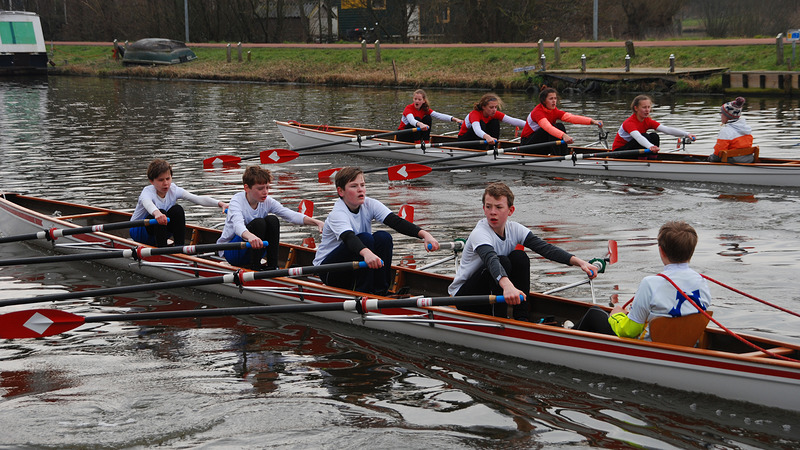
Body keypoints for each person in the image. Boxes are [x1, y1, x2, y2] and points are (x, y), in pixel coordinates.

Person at [448, 182, 598, 321]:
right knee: (502, 261)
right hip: (464, 298)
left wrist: (579, 262)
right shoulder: (480, 233)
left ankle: (522, 318)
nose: (492, 212)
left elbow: (545, 248)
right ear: (483, 208)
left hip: (491, 293)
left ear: (510, 210)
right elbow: (491, 260)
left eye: (498, 207)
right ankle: (499, 320)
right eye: (488, 207)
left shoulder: (515, 229)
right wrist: (507, 286)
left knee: (520, 257)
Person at [575, 221, 712, 340]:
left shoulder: (650, 283)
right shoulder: (702, 282)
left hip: (651, 346)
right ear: (692, 251)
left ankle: (568, 335)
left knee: (594, 313)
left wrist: (616, 316)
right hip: (686, 342)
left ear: (661, 251)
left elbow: (629, 331)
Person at [313, 166, 440, 294]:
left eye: (362, 185)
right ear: (341, 191)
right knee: (365, 239)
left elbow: (396, 222)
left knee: (383, 237)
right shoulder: (338, 213)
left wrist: (425, 235)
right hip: (329, 270)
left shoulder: (369, 204)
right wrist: (367, 253)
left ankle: (380, 291)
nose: (360, 190)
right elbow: (349, 238)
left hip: (354, 265)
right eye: (354, 186)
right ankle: (364, 292)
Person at [217, 165, 323, 270]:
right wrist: (250, 237)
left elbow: (290, 215)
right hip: (232, 251)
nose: (265, 192)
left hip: (254, 247)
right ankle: (255, 269)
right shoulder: (237, 201)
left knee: (272, 220)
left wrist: (317, 222)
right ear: (246, 188)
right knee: (259, 223)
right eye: (260, 188)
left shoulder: (267, 201)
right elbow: (238, 226)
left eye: (267, 187)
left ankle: (273, 266)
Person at [130, 159, 227, 247]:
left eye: (168, 179)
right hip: (139, 231)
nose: (166, 183)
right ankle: (162, 251)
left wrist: (220, 204)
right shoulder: (147, 192)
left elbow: (197, 199)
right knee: (162, 212)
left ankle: (179, 248)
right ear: (152, 181)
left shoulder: (173, 189)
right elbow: (148, 204)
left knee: (178, 210)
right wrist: (157, 213)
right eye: (161, 180)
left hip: (160, 229)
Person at [520, 86, 603, 156]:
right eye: (551, 99)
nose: (554, 101)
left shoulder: (554, 111)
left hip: (540, 144)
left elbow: (571, 118)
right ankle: (559, 157)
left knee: (560, 126)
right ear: (544, 101)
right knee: (552, 128)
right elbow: (547, 127)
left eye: (555, 98)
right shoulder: (537, 112)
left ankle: (563, 155)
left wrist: (592, 121)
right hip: (527, 146)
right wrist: (563, 136)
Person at [612, 95, 696, 159]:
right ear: (636, 108)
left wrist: (686, 134)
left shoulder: (647, 120)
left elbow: (666, 129)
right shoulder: (629, 122)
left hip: (634, 150)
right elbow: (638, 137)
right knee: (645, 136)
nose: (647, 110)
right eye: (644, 107)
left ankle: (652, 159)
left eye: (648, 107)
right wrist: (650, 146)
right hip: (619, 153)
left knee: (654, 136)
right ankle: (644, 161)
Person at [457, 93, 525, 148]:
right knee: (481, 124)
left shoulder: (493, 113)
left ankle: (492, 147)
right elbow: (477, 130)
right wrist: (487, 137)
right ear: (483, 107)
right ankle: (481, 149)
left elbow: (512, 120)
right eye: (491, 107)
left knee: (495, 121)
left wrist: (529, 125)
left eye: (496, 107)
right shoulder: (475, 114)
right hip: (464, 141)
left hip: (480, 139)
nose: (494, 110)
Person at [398, 89, 462, 143]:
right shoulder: (408, 108)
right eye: (415, 99)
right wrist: (421, 124)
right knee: (417, 119)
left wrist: (455, 119)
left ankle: (426, 141)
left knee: (428, 118)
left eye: (419, 99)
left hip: (413, 134)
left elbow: (439, 115)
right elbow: (411, 120)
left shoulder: (424, 109)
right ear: (413, 99)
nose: (417, 101)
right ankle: (417, 143)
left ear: (423, 101)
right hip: (402, 135)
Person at [708, 96, 754, 163]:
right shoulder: (746, 129)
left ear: (727, 116)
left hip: (734, 162)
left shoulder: (725, 131)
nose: (720, 116)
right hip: (748, 160)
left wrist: (710, 159)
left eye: (721, 113)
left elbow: (718, 154)